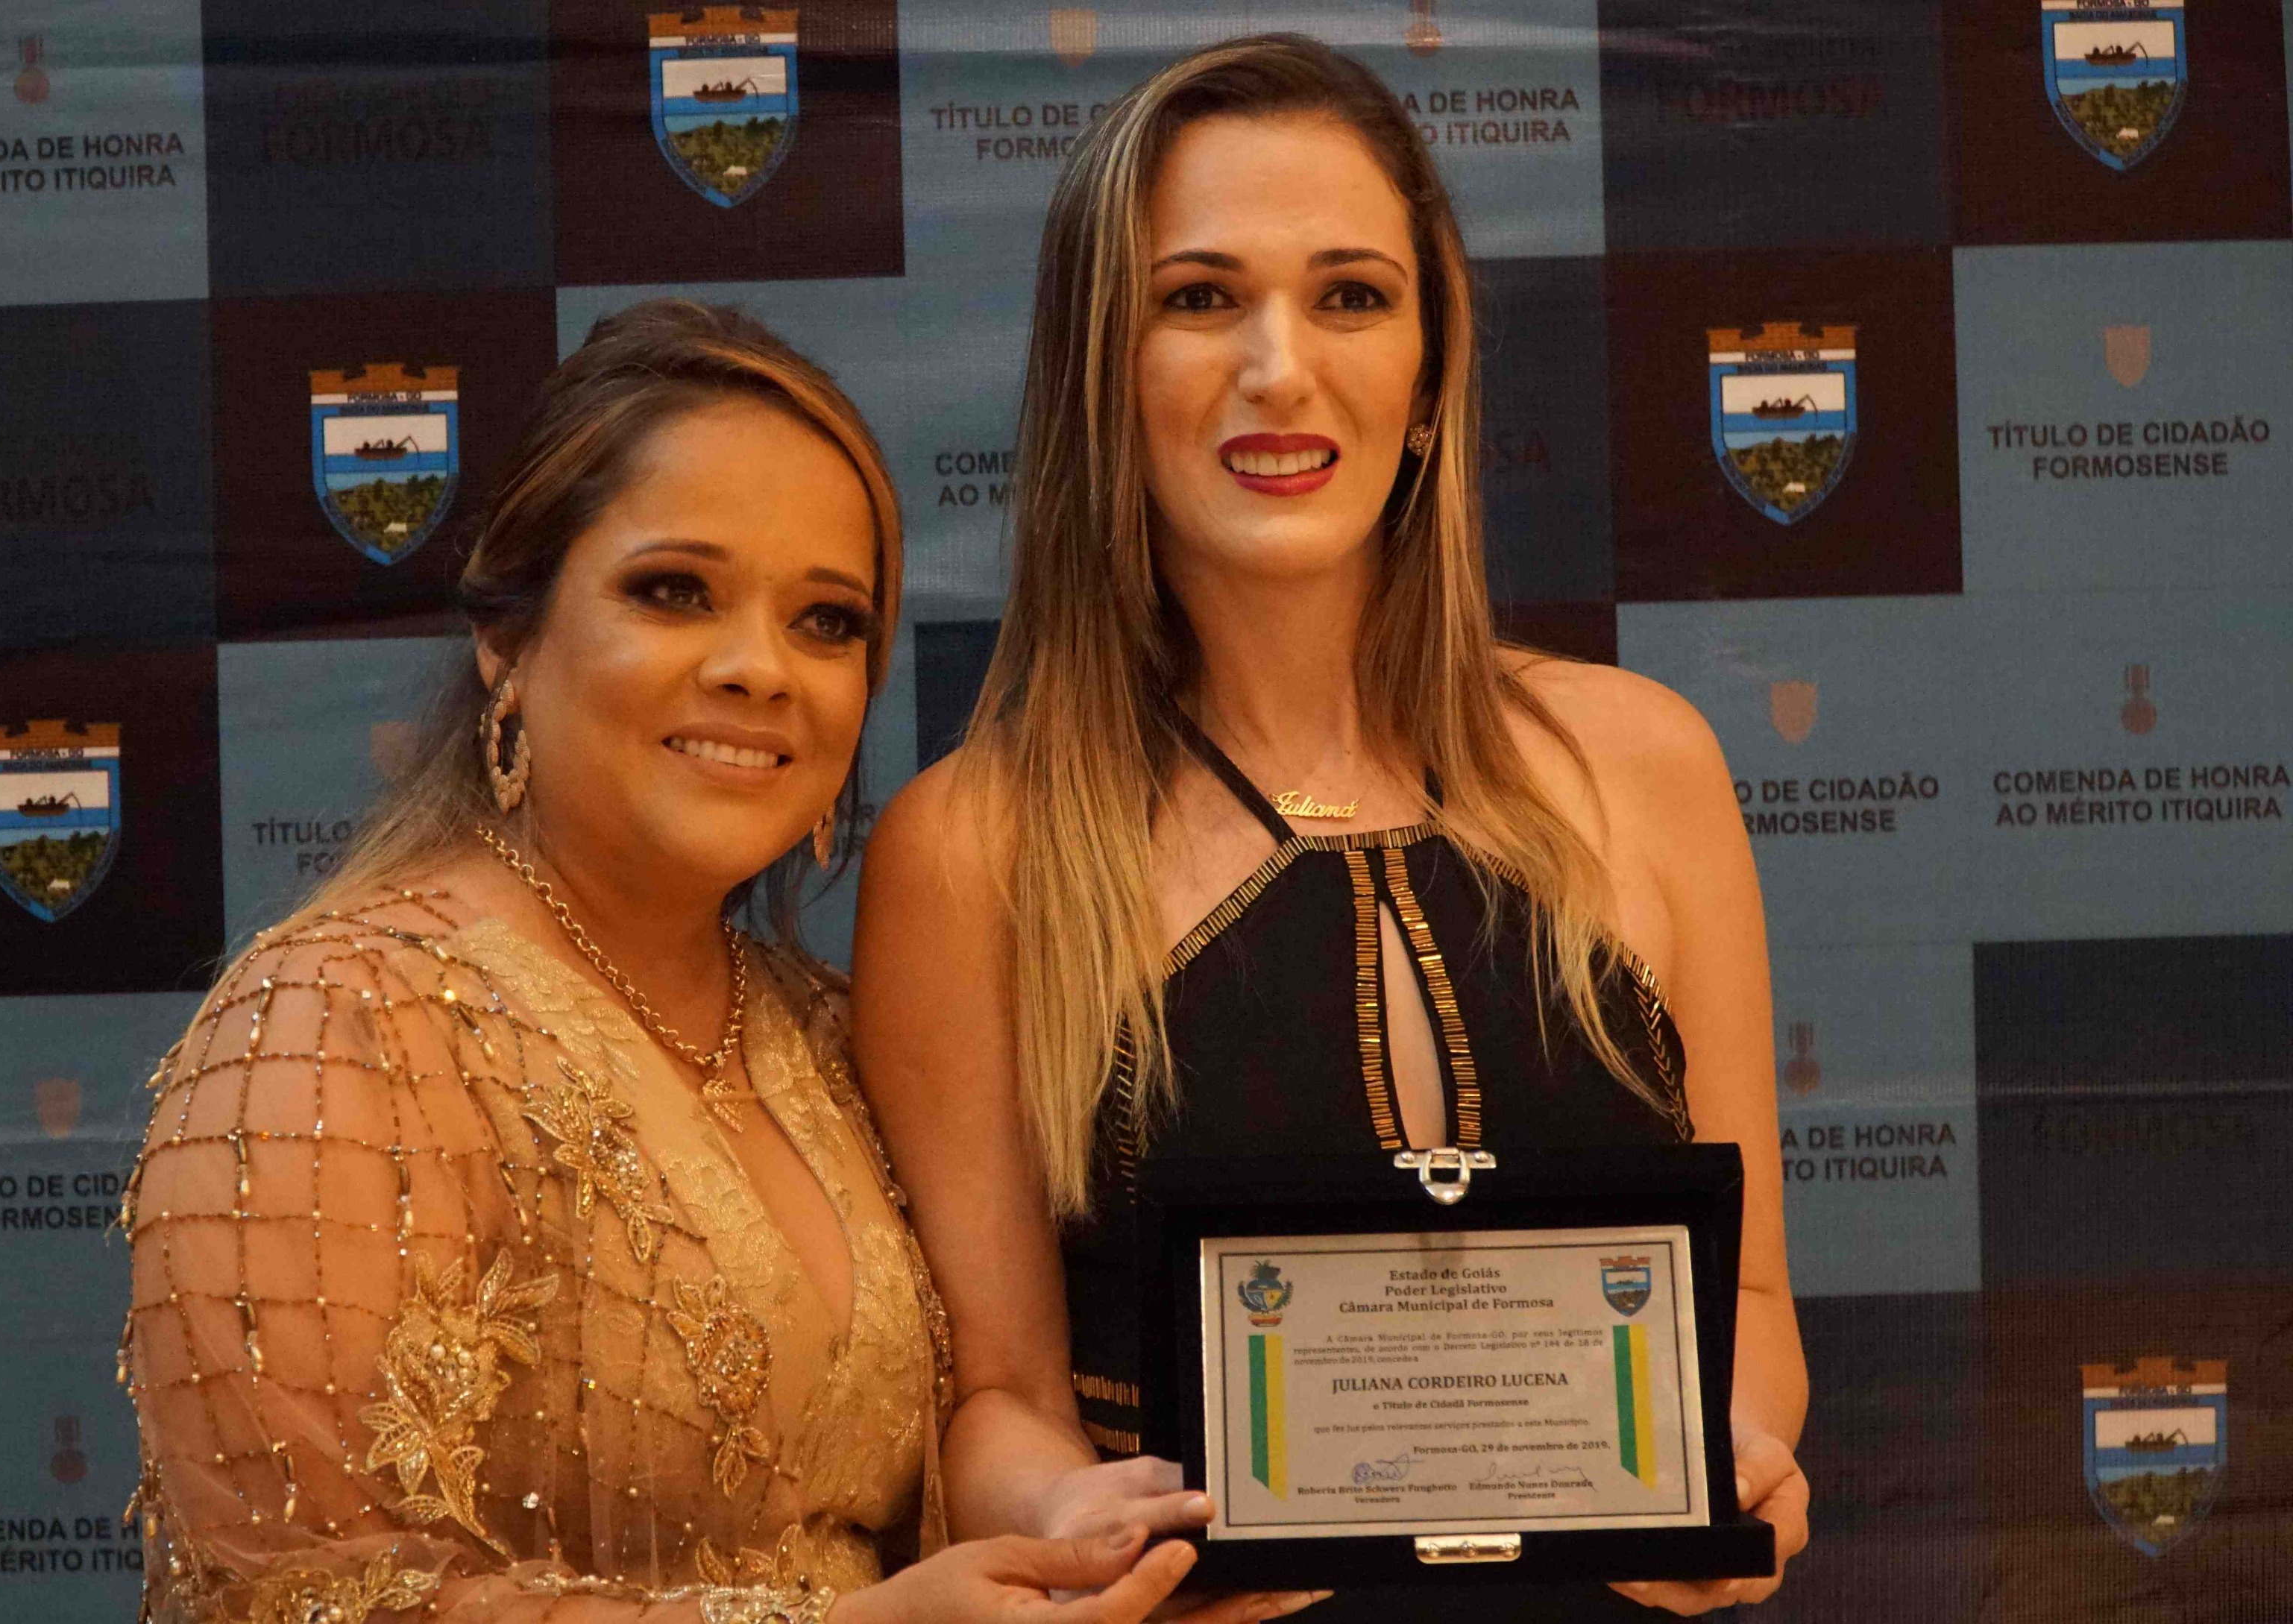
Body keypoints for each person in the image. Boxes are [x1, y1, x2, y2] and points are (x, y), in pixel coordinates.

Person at [853, 37, 1811, 1621]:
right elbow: (997, 1396)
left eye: (1351, 295)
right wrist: (1083, 1516)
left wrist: (1737, 1457)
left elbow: (1751, 1296)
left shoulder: (1648, 764)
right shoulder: (974, 846)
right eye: (1199, 297)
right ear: (1101, 372)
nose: (1279, 368)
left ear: (1429, 377)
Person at [117, 300, 1200, 1624]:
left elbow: (984, 1422)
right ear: (508, 638)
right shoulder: (332, 1023)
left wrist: (1087, 1531)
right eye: (675, 591)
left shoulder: (824, 1035)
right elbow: (298, 1598)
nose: (760, 670)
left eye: (827, 621)